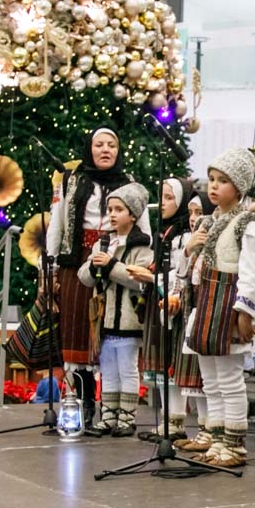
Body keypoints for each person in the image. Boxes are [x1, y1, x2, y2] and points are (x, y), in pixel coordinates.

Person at [181, 147, 255, 467]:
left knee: (230, 380)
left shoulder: (249, 223)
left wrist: (245, 311)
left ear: (240, 186)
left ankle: (234, 444)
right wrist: (190, 248)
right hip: (206, 303)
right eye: (211, 180)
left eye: (223, 181)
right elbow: (190, 269)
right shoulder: (210, 221)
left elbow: (253, 271)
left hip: (228, 304)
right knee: (211, 380)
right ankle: (216, 440)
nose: (213, 187)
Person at [47, 126, 129, 433]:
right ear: (89, 148)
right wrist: (51, 268)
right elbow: (57, 224)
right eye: (99, 145)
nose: (106, 150)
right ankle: (82, 408)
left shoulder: (128, 183)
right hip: (76, 261)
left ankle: (114, 411)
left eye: (112, 145)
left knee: (110, 336)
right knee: (77, 336)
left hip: (113, 258)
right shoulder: (72, 180)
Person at [81, 183, 155, 436]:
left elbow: (138, 278)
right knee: (108, 369)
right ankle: (108, 415)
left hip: (129, 318)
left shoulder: (141, 245)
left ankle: (127, 417)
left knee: (127, 367)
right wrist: (93, 267)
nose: (112, 214)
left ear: (133, 215)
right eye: (110, 209)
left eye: (119, 209)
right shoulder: (102, 242)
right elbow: (85, 277)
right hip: (103, 318)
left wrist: (111, 264)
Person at [143, 178, 196, 440]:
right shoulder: (164, 231)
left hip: (175, 300)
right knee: (162, 362)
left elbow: (181, 270)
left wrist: (156, 279)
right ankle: (167, 420)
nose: (162, 203)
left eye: (169, 198)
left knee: (173, 359)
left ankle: (177, 421)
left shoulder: (185, 234)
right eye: (161, 197)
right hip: (160, 297)